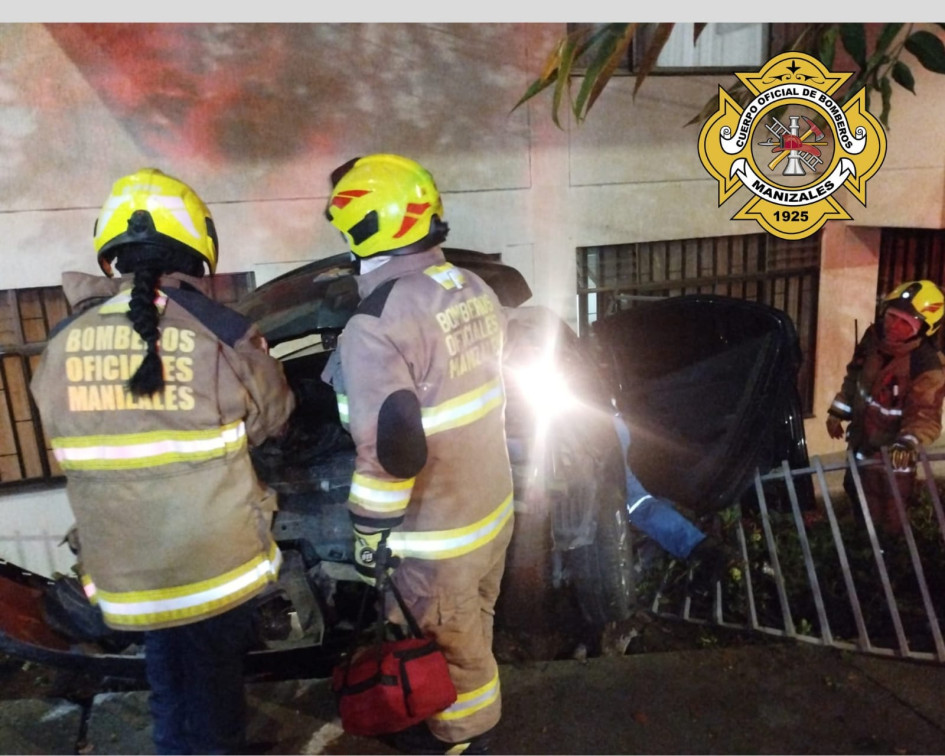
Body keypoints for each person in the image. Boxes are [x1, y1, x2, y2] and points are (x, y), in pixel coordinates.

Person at [30, 168, 296, 754]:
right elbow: (270, 419)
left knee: (169, 679)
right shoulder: (221, 332)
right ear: (195, 245)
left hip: (125, 567)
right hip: (214, 562)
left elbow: (60, 431)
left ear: (112, 250)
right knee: (213, 680)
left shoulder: (63, 340)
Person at [321, 153, 514, 755]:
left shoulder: (376, 324)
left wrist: (368, 537)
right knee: (472, 640)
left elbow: (391, 452)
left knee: (454, 675)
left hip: (437, 540)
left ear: (362, 227)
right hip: (491, 516)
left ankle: (461, 746)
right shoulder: (473, 287)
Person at [826, 279, 945, 535]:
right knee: (855, 491)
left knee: (889, 512)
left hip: (894, 454)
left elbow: (926, 415)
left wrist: (908, 443)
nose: (894, 327)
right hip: (861, 441)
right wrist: (839, 410)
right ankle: (862, 548)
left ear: (925, 328)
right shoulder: (873, 338)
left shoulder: (926, 365)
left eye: (906, 323)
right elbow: (855, 376)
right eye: (892, 316)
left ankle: (888, 559)